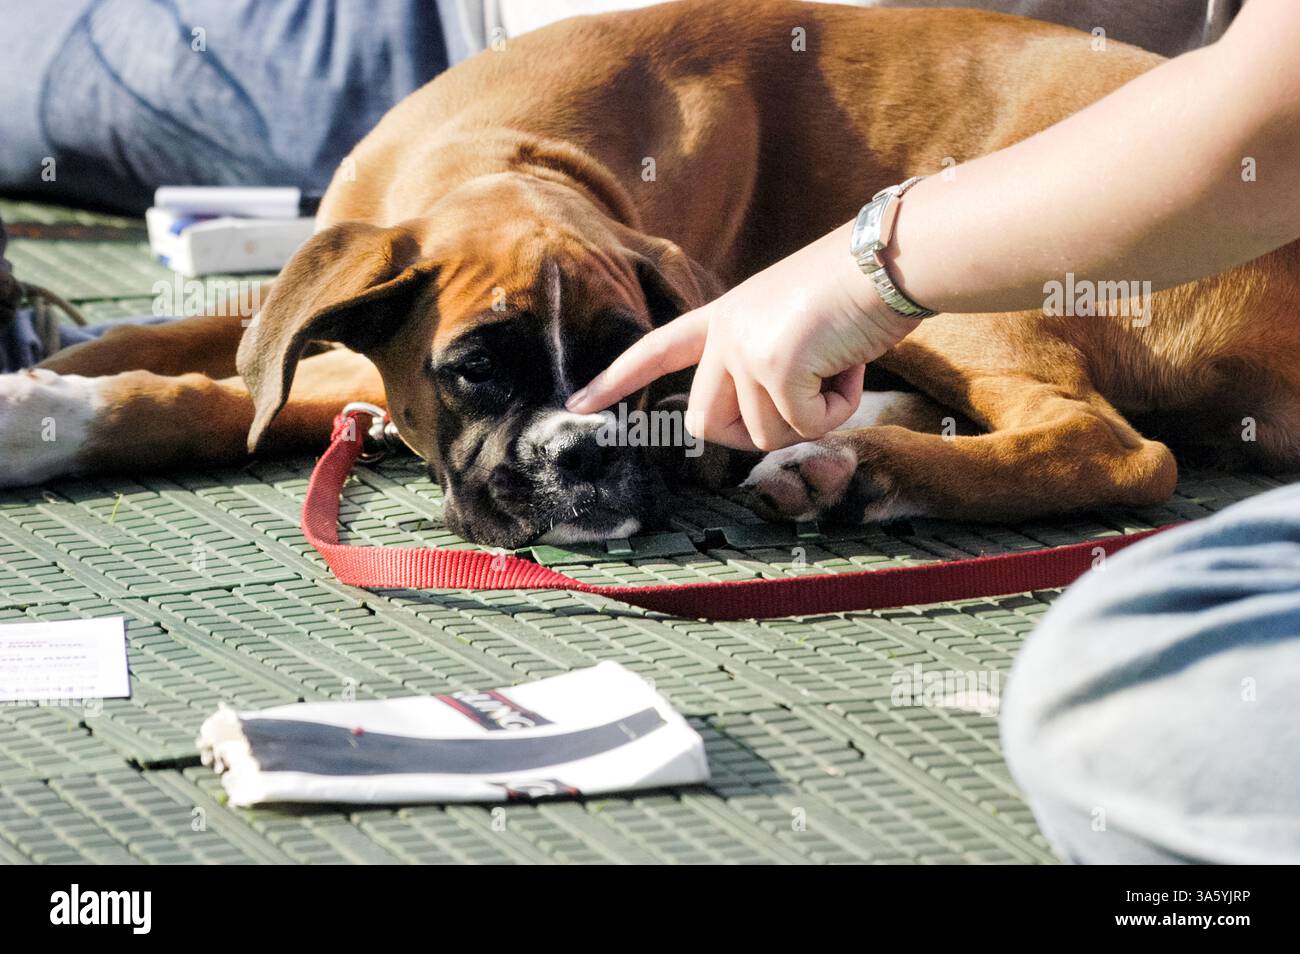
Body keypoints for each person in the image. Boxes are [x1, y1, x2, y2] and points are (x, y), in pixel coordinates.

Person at [562, 0, 1300, 864]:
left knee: (1117, 688)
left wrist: (863, 269)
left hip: (1226, 289)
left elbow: (1265, 124)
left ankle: (1051, 437)